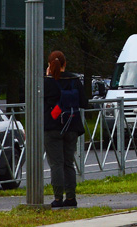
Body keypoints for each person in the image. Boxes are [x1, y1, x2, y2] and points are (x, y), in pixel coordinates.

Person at [43, 51, 88, 208]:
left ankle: (57, 198)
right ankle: (71, 197)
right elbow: (84, 102)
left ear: (49, 65)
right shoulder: (74, 79)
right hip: (72, 125)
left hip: (52, 127)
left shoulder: (47, 82)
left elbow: (40, 103)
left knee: (56, 164)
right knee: (68, 163)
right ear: (65, 63)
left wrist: (47, 76)